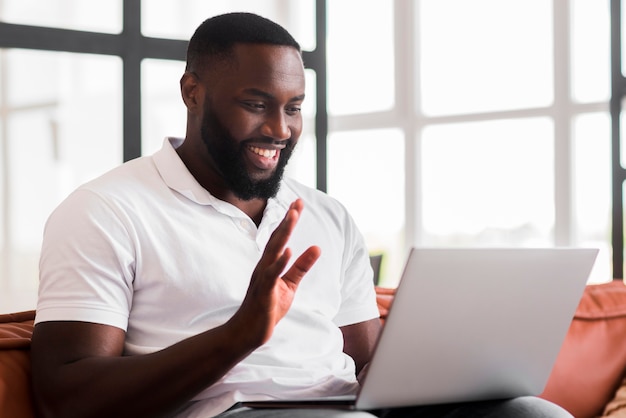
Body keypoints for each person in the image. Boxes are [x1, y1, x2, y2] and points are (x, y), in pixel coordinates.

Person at [30, 12, 572, 418]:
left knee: (532, 414)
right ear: (192, 92)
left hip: (350, 411)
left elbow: (366, 365)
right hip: (232, 413)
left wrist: (460, 357)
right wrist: (238, 335)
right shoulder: (106, 210)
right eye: (256, 103)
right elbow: (67, 395)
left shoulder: (327, 215)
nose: (281, 129)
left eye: (293, 107)